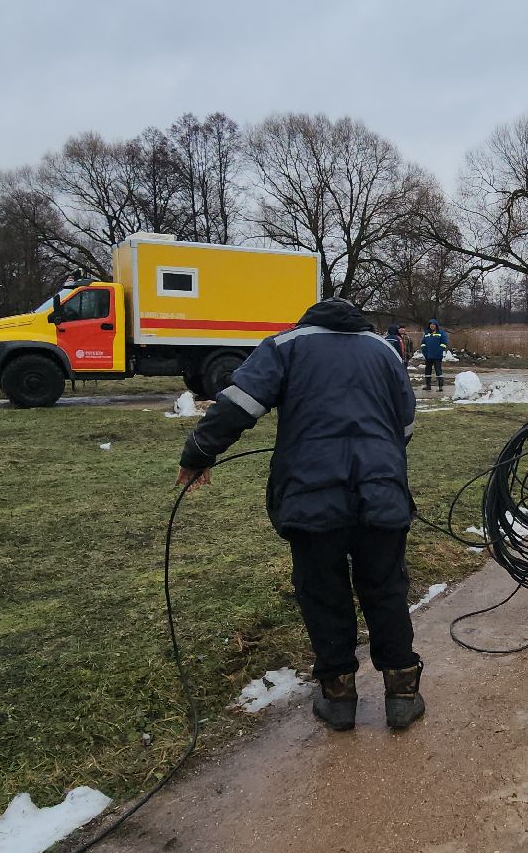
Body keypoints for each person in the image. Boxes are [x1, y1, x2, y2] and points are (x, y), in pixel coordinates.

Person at [178, 297, 423, 731]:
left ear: (310, 319)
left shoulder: (285, 346)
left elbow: (237, 406)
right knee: (386, 588)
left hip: (312, 497)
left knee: (322, 592)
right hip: (381, 492)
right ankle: (403, 693)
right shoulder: (385, 350)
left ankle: (339, 698)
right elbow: (404, 423)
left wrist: (199, 452)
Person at [419, 319, 450, 391]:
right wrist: (424, 352)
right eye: (430, 324)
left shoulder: (441, 333)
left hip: (437, 356)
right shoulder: (426, 334)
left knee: (438, 370)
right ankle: (428, 385)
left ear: (436, 325)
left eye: (433, 324)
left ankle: (440, 386)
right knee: (427, 370)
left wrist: (439, 351)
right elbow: (423, 343)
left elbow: (444, 343)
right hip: (428, 356)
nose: (432, 325)